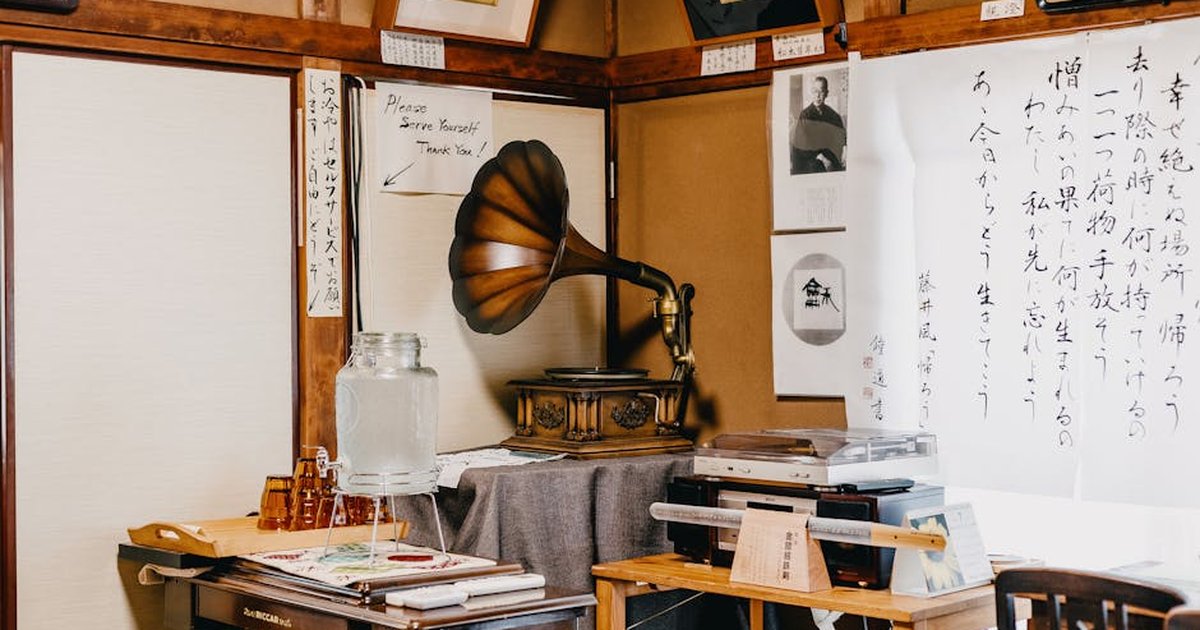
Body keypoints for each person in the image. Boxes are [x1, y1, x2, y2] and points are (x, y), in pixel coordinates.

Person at [790, 75, 846, 174]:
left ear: (827, 93)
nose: (818, 95)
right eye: (815, 91)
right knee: (816, 167)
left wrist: (845, 150)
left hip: (829, 157)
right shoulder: (805, 115)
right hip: (810, 158)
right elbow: (802, 144)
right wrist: (823, 159)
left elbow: (841, 137)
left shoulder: (833, 115)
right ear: (812, 92)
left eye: (821, 91)